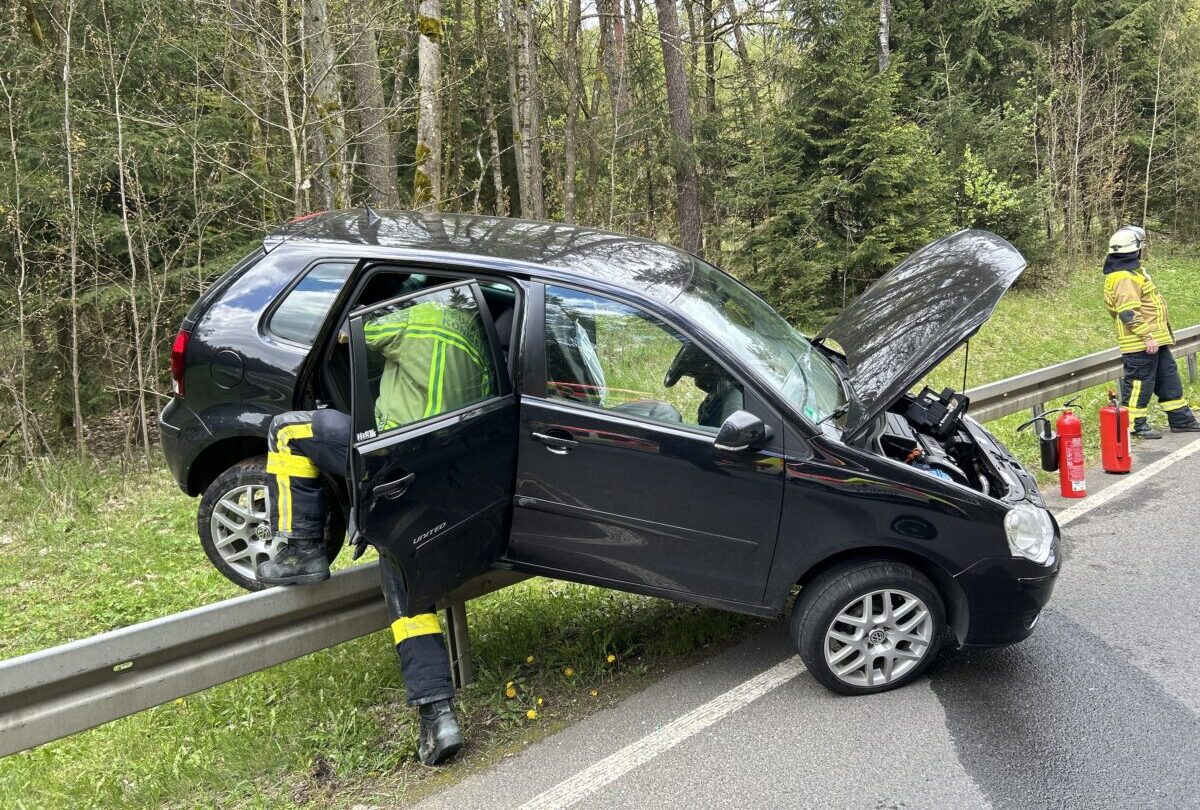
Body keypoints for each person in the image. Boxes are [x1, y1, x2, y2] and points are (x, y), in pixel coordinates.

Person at [257, 292, 493, 766]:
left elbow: (342, 335)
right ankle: (437, 715)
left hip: (388, 455)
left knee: (287, 431)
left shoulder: (415, 319)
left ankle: (301, 549)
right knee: (408, 590)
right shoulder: (480, 341)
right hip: (442, 474)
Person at [1103, 225, 1200, 438]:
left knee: (1168, 378)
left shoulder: (1132, 273)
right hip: (1141, 342)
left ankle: (1181, 419)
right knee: (1139, 383)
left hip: (1154, 339)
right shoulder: (1123, 277)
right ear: (1135, 250)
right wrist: (1146, 336)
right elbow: (1128, 312)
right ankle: (1134, 425)